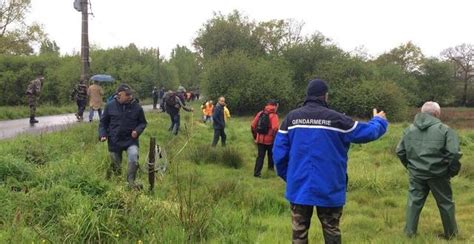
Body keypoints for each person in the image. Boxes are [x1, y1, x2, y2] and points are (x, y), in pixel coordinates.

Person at [273, 79, 388, 244]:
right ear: (325, 96)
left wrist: (290, 177)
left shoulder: (291, 119)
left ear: (308, 95)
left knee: (299, 233)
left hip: (299, 186)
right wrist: (379, 120)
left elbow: (279, 154)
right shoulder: (337, 119)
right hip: (330, 186)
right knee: (332, 231)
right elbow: (367, 133)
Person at [396, 101, 462, 240]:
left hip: (416, 174)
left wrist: (410, 167)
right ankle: (451, 234)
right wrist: (451, 171)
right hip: (439, 174)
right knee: (445, 203)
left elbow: (400, 151)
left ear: (422, 112)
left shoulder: (409, 129)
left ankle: (409, 234)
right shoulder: (445, 130)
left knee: (413, 202)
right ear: (437, 113)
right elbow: (454, 153)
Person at [99, 84, 147, 189]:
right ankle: (118, 182)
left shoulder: (137, 107)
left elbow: (143, 123)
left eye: (130, 94)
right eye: (127, 94)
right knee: (116, 165)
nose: (130, 96)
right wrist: (103, 135)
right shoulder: (109, 106)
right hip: (114, 141)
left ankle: (131, 182)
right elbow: (103, 123)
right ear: (119, 95)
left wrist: (137, 131)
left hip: (131, 140)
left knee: (134, 155)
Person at [251, 100, 279, 177]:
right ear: (275, 106)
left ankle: (256, 173)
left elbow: (253, 125)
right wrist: (275, 138)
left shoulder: (260, 113)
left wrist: (255, 136)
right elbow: (275, 128)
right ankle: (270, 171)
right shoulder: (274, 115)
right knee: (271, 155)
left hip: (260, 139)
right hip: (270, 140)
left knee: (260, 156)